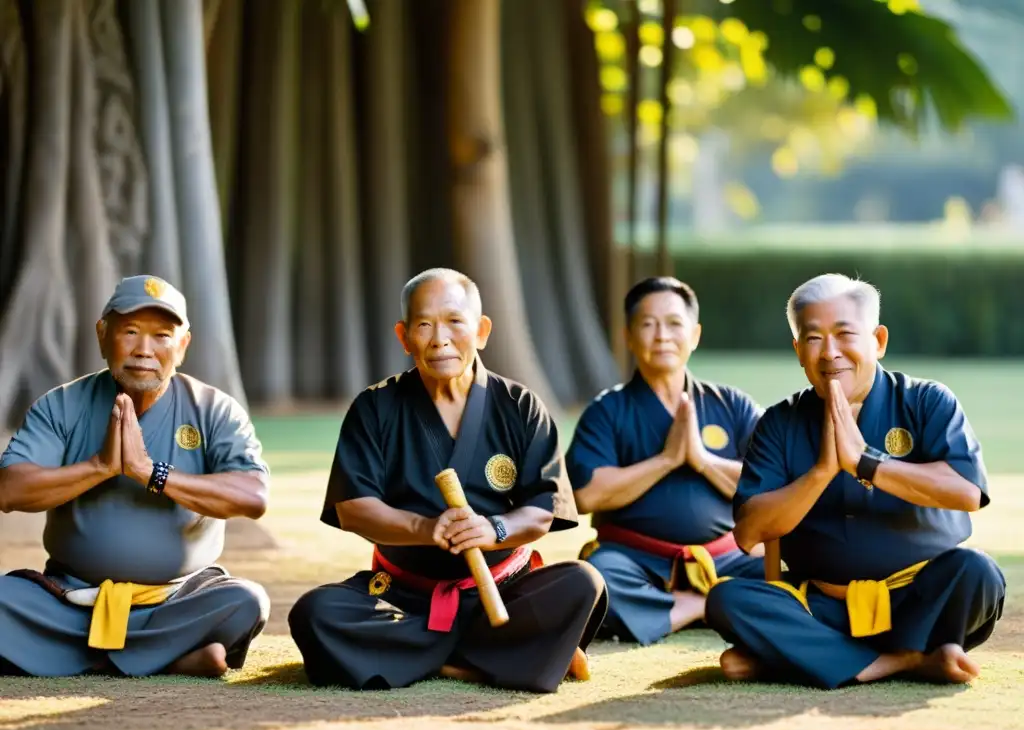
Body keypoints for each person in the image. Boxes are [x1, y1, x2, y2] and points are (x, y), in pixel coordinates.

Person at [288, 268, 607, 693]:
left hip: (503, 591)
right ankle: (488, 658)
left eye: (455, 321)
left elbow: (544, 509)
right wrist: (426, 528)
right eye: (424, 324)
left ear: (481, 330)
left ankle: (421, 658)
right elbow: (354, 509)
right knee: (315, 612)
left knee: (584, 582)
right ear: (404, 337)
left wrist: (494, 529)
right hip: (404, 599)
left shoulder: (519, 406)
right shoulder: (375, 407)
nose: (439, 338)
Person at [705, 273, 1006, 689]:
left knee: (979, 573)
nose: (830, 353)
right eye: (813, 339)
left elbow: (967, 492)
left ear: (878, 340)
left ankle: (807, 657)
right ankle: (906, 660)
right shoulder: (779, 423)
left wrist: (867, 463)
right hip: (822, 606)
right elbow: (749, 532)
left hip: (920, 601)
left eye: (844, 334)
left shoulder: (926, 401)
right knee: (727, 599)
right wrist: (822, 472)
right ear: (797, 351)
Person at [0, 275, 271, 678]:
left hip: (177, 601)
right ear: (102, 335)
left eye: (162, 335)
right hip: (71, 600)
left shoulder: (215, 409)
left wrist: (150, 473)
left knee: (246, 601)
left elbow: (252, 496)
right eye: (129, 332)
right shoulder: (61, 405)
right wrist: (99, 467)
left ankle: (79, 658)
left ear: (183, 345)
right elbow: (10, 489)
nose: (144, 350)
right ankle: (170, 659)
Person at [565, 277, 765, 646]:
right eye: (648, 324)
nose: (661, 335)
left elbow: (772, 482)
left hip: (727, 560)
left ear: (695, 334)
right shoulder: (607, 411)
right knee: (593, 580)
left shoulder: (732, 404)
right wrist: (666, 460)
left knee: (796, 568)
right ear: (628, 336)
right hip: (633, 562)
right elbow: (587, 495)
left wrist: (702, 460)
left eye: (674, 323)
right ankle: (705, 607)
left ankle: (679, 608)